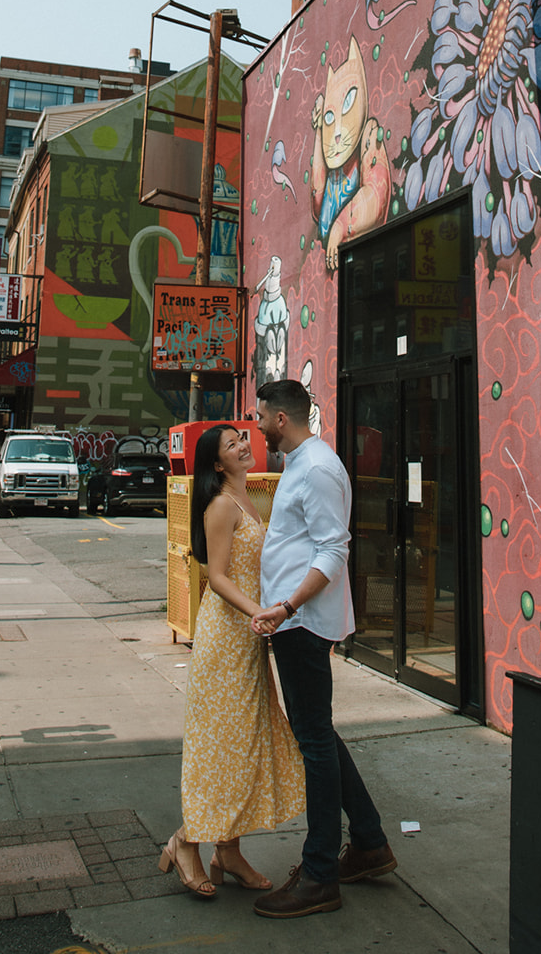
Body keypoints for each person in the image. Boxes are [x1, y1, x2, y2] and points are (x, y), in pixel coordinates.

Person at [250, 378, 395, 918]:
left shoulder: (315, 468)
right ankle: (370, 843)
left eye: (261, 415)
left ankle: (319, 874)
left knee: (314, 742)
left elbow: (334, 549)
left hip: (303, 624)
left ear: (281, 419)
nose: (258, 423)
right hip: (298, 623)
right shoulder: (300, 464)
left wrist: (287, 606)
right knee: (319, 735)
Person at [160, 424, 304, 900]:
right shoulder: (221, 504)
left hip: (247, 639)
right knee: (225, 748)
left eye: (244, 437)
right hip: (226, 640)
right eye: (231, 444)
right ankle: (185, 842)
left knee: (244, 746)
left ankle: (229, 851)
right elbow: (216, 577)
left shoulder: (247, 499)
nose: (244, 445)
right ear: (217, 464)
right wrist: (260, 612)